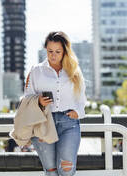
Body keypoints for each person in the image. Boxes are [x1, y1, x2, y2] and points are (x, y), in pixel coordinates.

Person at [25, 31, 87, 176]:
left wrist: (78, 112)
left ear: (65, 51)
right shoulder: (36, 71)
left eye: (58, 51)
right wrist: (38, 101)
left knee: (67, 170)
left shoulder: (75, 71)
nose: (53, 55)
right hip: (43, 123)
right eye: (50, 51)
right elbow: (27, 97)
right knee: (51, 171)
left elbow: (81, 100)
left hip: (69, 124)